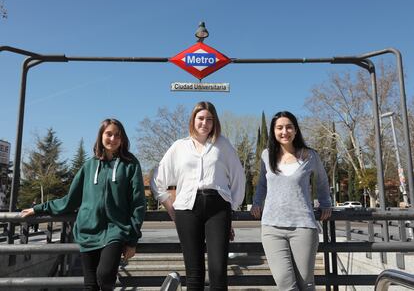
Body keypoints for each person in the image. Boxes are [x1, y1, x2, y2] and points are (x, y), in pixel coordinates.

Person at [21, 118, 146, 291]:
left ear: (123, 138)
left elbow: (138, 203)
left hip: (116, 231)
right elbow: (70, 200)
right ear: (101, 136)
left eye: (118, 135)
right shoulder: (89, 166)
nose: (113, 139)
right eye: (108, 134)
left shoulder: (130, 164)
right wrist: (38, 208)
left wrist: (132, 241)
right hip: (88, 231)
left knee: (105, 275)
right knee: (90, 284)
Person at [151, 101, 245, 290]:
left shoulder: (223, 145)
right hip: (187, 210)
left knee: (218, 271)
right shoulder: (179, 147)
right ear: (193, 120)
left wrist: (231, 210)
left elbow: (238, 179)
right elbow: (157, 180)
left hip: (218, 209)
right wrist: (172, 210)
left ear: (215, 122)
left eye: (209, 119)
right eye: (200, 118)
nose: (204, 123)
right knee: (194, 273)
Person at [250, 111, 332, 291]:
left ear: (295, 130)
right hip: (272, 228)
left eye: (289, 127)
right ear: (273, 131)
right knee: (285, 282)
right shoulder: (266, 155)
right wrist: (257, 203)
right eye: (279, 128)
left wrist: (325, 203)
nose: (284, 131)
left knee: (306, 283)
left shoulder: (310, 155)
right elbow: (262, 184)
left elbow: (322, 181)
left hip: (303, 227)